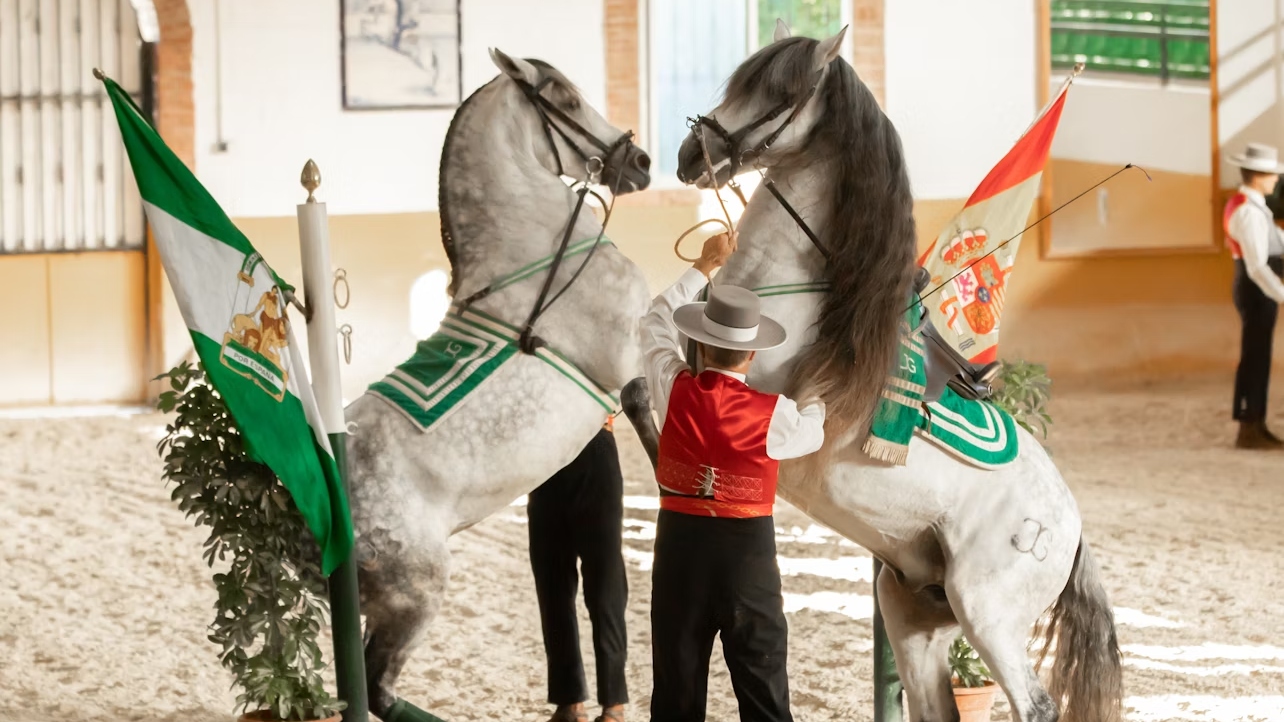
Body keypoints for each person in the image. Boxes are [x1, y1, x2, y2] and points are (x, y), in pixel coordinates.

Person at [640, 231, 826, 722]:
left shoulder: (671, 384)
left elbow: (656, 319)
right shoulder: (776, 414)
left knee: (676, 695)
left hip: (678, 555)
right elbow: (812, 432)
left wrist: (703, 266)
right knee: (764, 693)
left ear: (699, 345)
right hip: (748, 562)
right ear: (752, 355)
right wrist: (815, 396)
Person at [528, 422, 629, 722]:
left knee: (605, 585)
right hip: (542, 451)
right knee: (552, 583)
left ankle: (614, 706)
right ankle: (568, 701)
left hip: (594, 441)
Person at [1224, 142, 1284, 449]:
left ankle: (1255, 422)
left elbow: (1276, 243)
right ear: (1259, 175)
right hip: (1257, 289)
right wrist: (1282, 293)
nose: (1276, 180)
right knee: (1255, 356)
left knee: (1258, 354)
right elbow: (1258, 265)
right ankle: (1249, 425)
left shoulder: (1254, 207)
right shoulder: (1248, 211)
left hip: (1260, 288)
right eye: (1272, 174)